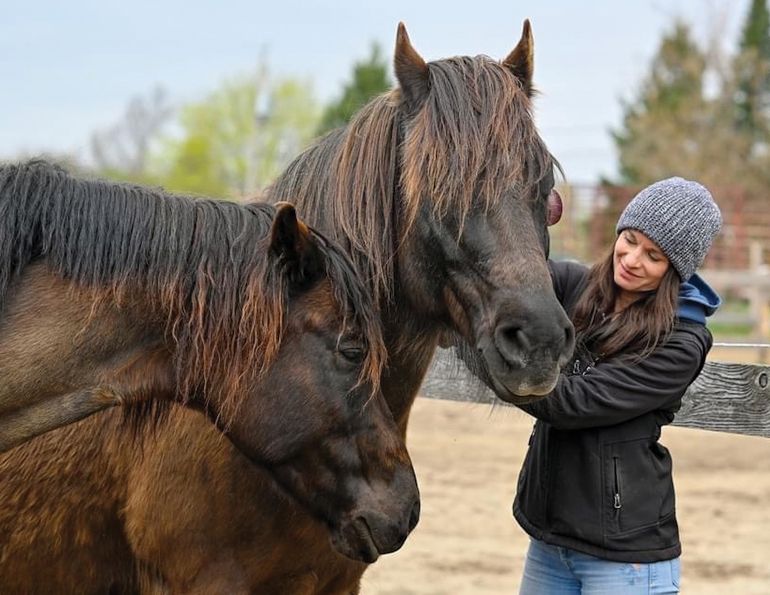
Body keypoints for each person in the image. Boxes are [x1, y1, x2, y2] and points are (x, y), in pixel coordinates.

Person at [514, 177, 723, 594]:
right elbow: (512, 282)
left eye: (654, 256)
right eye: (629, 240)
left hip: (625, 558)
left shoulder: (681, 341)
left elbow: (573, 403)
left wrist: (501, 367)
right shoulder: (578, 287)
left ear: (674, 269)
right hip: (550, 540)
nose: (631, 259)